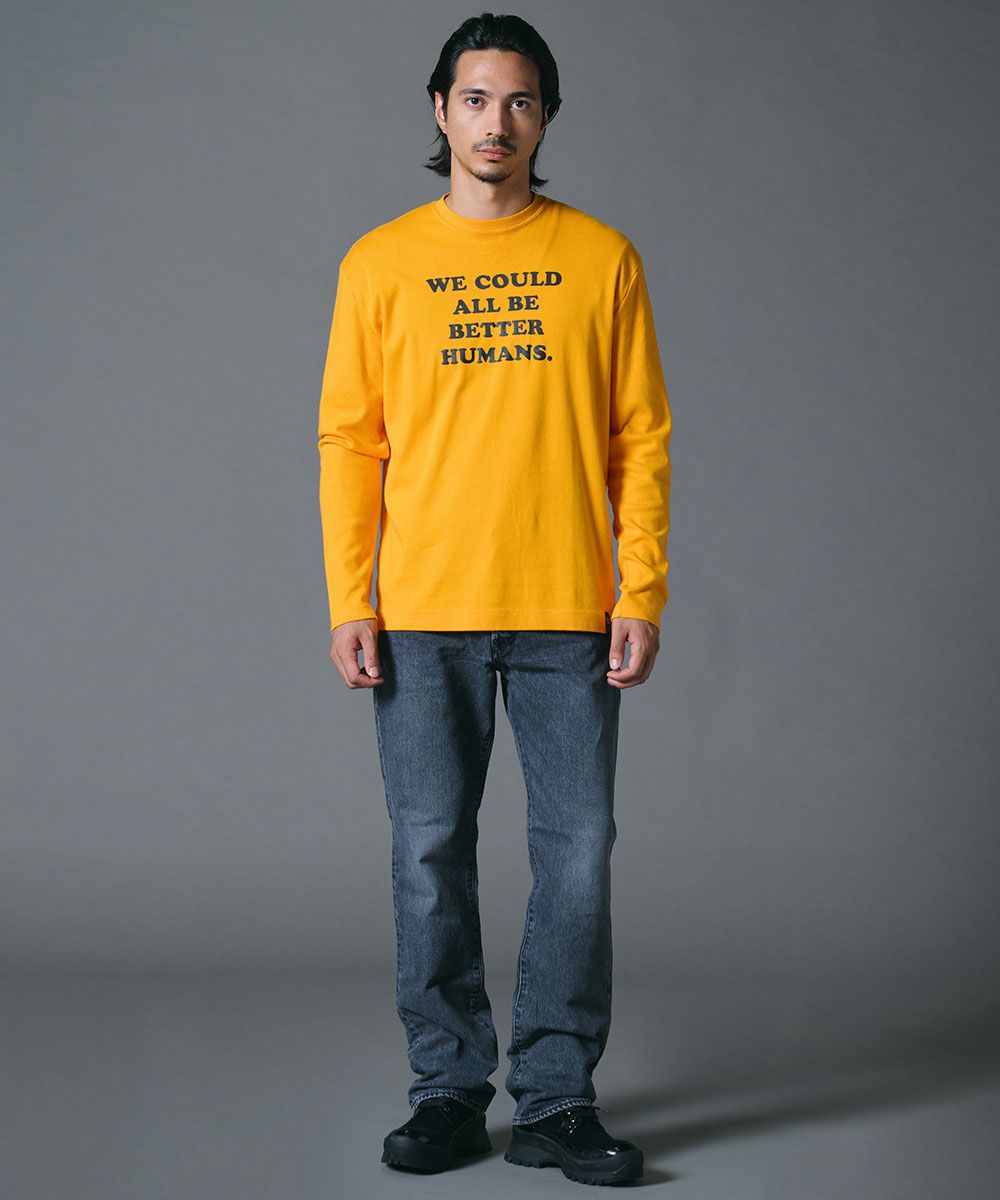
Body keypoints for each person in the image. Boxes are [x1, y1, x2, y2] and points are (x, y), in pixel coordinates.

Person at [316, 12, 671, 1187]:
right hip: (423, 606)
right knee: (429, 852)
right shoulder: (380, 262)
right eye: (474, 98)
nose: (495, 122)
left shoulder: (602, 258)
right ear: (439, 110)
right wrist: (350, 597)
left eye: (518, 100)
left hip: (568, 603)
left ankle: (557, 1101)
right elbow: (349, 441)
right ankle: (449, 1092)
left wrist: (640, 588)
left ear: (546, 117)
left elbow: (639, 437)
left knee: (578, 856)